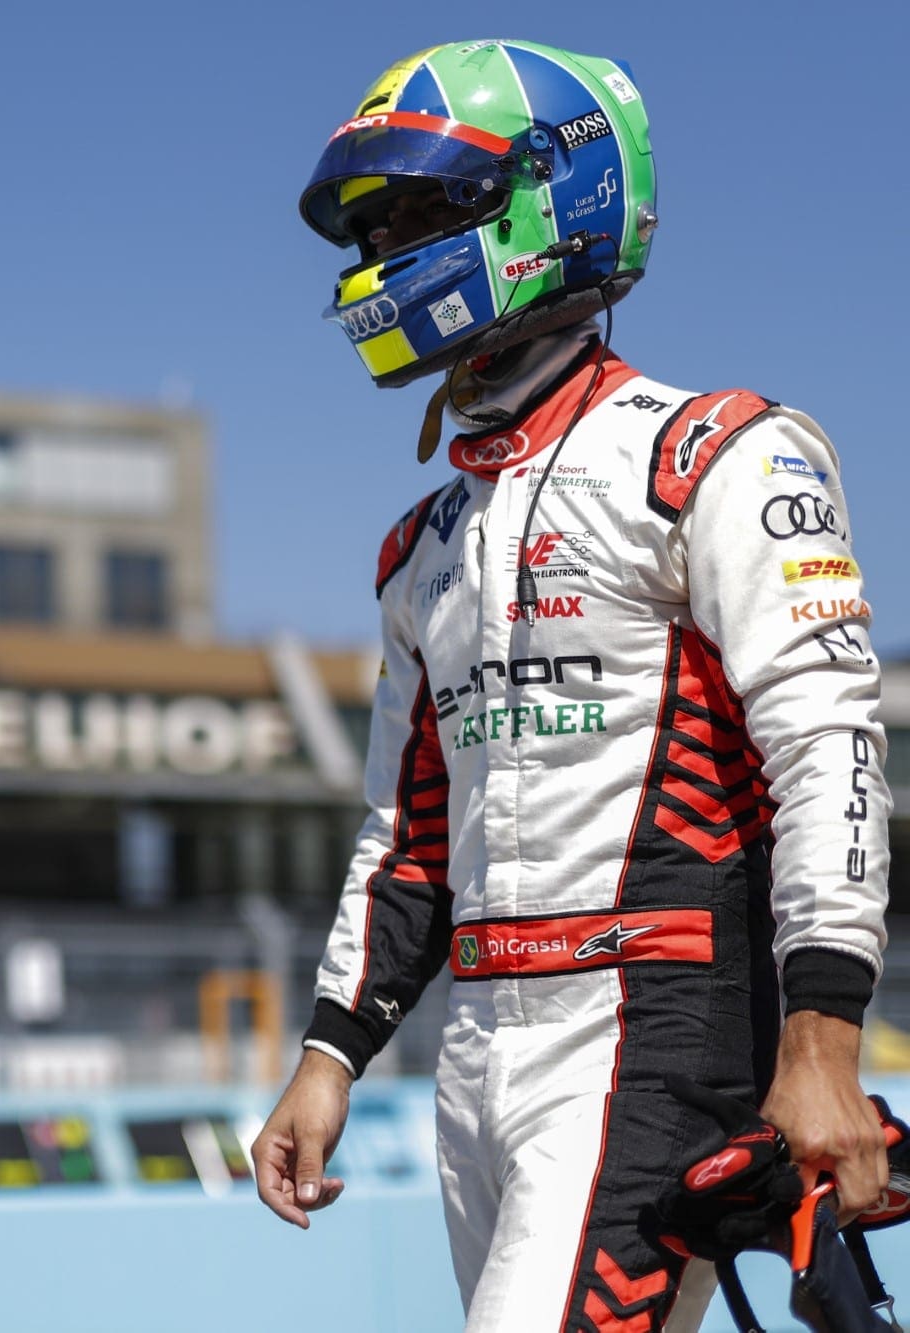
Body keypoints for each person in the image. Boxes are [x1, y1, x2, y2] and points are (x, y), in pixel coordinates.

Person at [247, 40, 893, 1331]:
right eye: (373, 231)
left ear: (547, 200)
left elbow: (829, 742)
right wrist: (329, 1055)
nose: (381, 258)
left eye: (416, 215)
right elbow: (406, 836)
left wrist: (824, 1038)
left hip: (650, 1033)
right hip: (473, 1057)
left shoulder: (718, 454)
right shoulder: (421, 550)